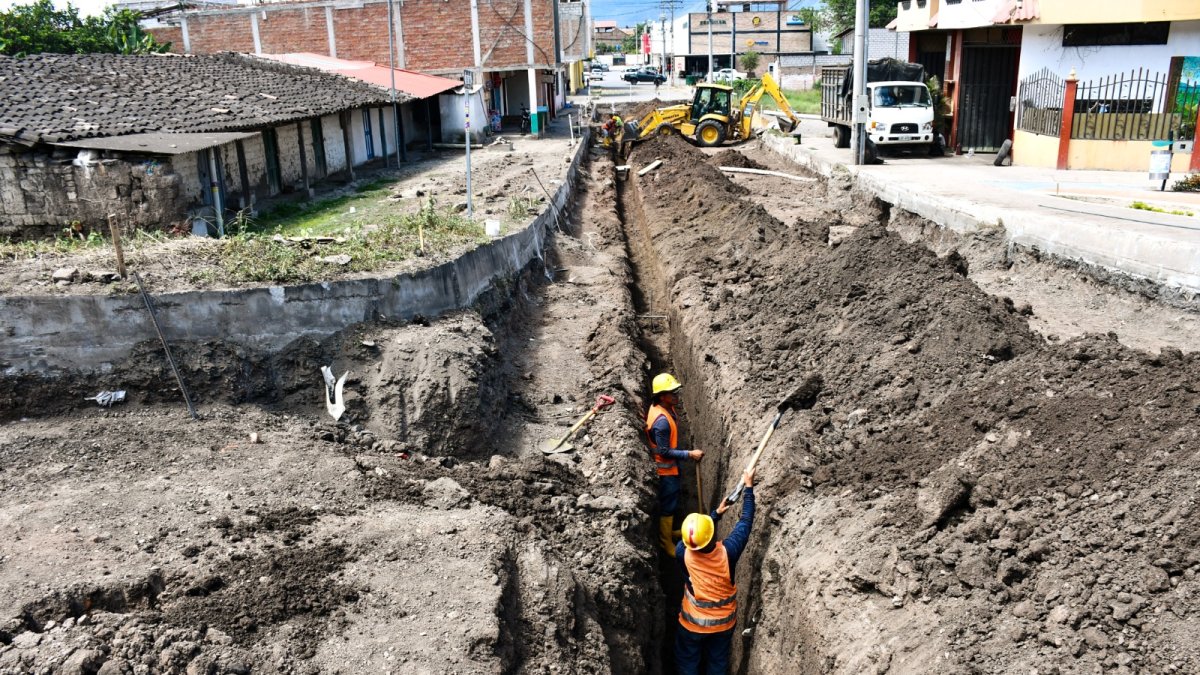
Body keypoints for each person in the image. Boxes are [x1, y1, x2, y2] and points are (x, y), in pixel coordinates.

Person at [674, 468, 756, 675]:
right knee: (717, 663)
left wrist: (715, 515)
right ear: (712, 536)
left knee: (687, 663)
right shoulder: (728, 552)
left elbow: (696, 539)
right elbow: (745, 523)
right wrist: (748, 487)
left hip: (692, 624)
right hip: (723, 625)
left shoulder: (682, 552)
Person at [646, 373, 704, 557]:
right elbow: (663, 451)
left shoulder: (664, 407)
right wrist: (689, 454)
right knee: (669, 504)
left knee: (672, 501)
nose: (676, 395)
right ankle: (666, 542)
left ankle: (669, 531)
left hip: (670, 466)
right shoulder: (662, 422)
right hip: (664, 470)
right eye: (672, 393)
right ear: (662, 396)